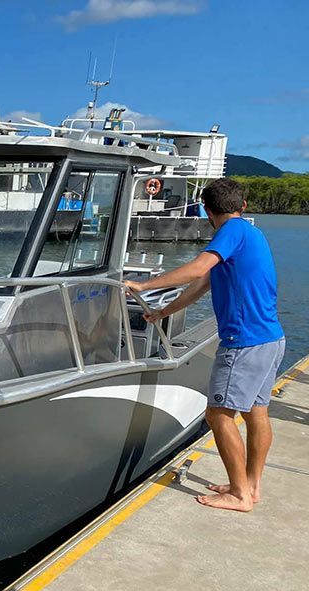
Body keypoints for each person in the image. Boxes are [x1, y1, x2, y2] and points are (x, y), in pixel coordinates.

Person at [125, 178, 285, 512]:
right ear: (242, 205)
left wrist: (144, 285)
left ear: (208, 211)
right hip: (270, 338)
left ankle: (239, 494)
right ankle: (251, 485)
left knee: (218, 414)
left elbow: (198, 267)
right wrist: (163, 311)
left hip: (244, 343)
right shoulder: (253, 234)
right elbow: (203, 283)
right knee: (256, 412)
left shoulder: (231, 231)